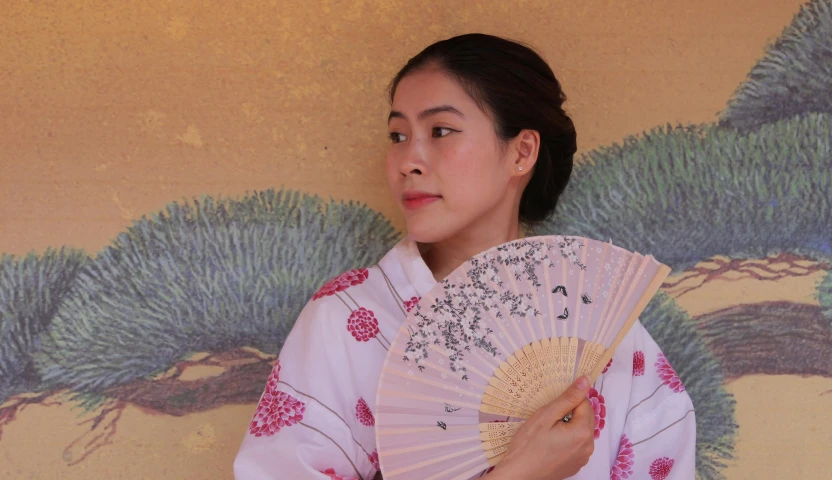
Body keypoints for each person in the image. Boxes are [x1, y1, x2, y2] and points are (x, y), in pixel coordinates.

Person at [233, 33, 696, 480]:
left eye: (440, 131)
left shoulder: (607, 329)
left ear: (522, 150)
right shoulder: (349, 322)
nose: (408, 161)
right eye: (397, 136)